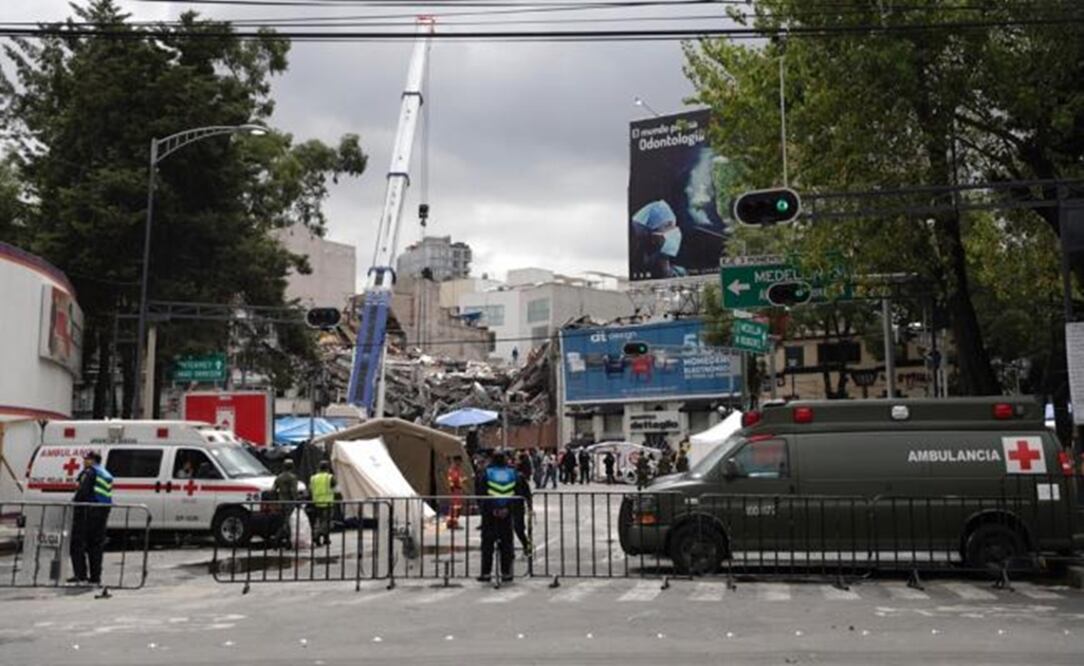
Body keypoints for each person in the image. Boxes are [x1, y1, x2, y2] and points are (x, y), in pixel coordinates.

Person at [69, 452, 112, 586]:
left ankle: (80, 575)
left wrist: (74, 503)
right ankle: (95, 578)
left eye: (86, 459)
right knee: (96, 546)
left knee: (77, 544)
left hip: (87, 512)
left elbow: (83, 492)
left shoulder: (89, 472)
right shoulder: (105, 473)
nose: (84, 461)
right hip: (102, 512)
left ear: (92, 461)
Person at [476, 452, 517, 583]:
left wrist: (491, 509)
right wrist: (507, 509)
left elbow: (481, 494)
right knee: (506, 544)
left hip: (490, 514)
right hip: (506, 514)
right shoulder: (512, 473)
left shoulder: (486, 474)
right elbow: (516, 493)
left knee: (487, 544)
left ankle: (486, 573)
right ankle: (506, 573)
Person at [272, 459, 300, 546]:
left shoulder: (279, 477)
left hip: (281, 502)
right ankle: (282, 539)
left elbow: (273, 490)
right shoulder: (293, 477)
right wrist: (296, 501)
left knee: (284, 521)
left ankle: (280, 539)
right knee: (288, 522)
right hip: (289, 502)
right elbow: (293, 491)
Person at [309, 461, 336, 547]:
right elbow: (335, 487)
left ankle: (326, 539)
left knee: (320, 521)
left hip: (317, 502)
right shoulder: (329, 477)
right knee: (326, 522)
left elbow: (310, 489)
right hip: (327, 502)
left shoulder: (313, 478)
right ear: (327, 468)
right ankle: (317, 535)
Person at [511, 465, 533, 557]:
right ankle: (510, 550)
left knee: (518, 529)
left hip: (517, 506)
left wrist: (529, 505)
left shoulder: (520, 477)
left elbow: (527, 492)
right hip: (510, 505)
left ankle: (526, 546)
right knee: (510, 529)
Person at [446, 455, 465, 530]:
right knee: (455, 507)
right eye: (459, 461)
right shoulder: (453, 470)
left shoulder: (456, 470)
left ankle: (451, 522)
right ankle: (454, 523)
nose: (460, 463)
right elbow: (454, 480)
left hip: (457, 490)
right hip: (455, 490)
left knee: (455, 507)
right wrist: (461, 481)